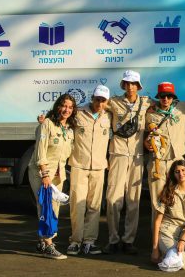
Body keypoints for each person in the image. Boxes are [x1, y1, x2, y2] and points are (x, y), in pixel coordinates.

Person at [103, 70, 150, 254]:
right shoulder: (113, 102)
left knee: (133, 201)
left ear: (138, 86)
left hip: (137, 157)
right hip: (118, 154)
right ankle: (113, 239)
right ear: (123, 85)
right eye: (127, 83)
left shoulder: (146, 103)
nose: (130, 87)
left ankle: (129, 240)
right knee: (113, 199)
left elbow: (168, 106)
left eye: (134, 84)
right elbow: (94, 106)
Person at [29, 93, 76, 259]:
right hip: (43, 174)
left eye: (70, 107)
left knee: (54, 208)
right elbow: (40, 152)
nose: (67, 110)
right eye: (64, 106)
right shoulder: (47, 124)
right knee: (46, 207)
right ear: (57, 106)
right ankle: (49, 245)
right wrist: (45, 175)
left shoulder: (69, 128)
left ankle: (42, 242)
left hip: (59, 175)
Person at [66, 85, 111, 255]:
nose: (100, 103)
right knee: (77, 205)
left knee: (95, 206)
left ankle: (89, 241)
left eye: (103, 100)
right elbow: (61, 122)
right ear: (92, 98)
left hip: (99, 167)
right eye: (97, 99)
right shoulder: (77, 113)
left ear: (107, 102)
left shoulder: (109, 116)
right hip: (79, 165)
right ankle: (75, 241)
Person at [144, 82, 185, 225]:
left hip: (177, 162)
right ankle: (156, 243)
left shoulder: (183, 108)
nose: (165, 99)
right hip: (157, 163)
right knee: (157, 203)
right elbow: (143, 136)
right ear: (158, 97)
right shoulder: (149, 112)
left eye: (169, 96)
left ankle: (175, 238)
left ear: (173, 97)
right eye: (162, 96)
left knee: (177, 201)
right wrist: (146, 143)